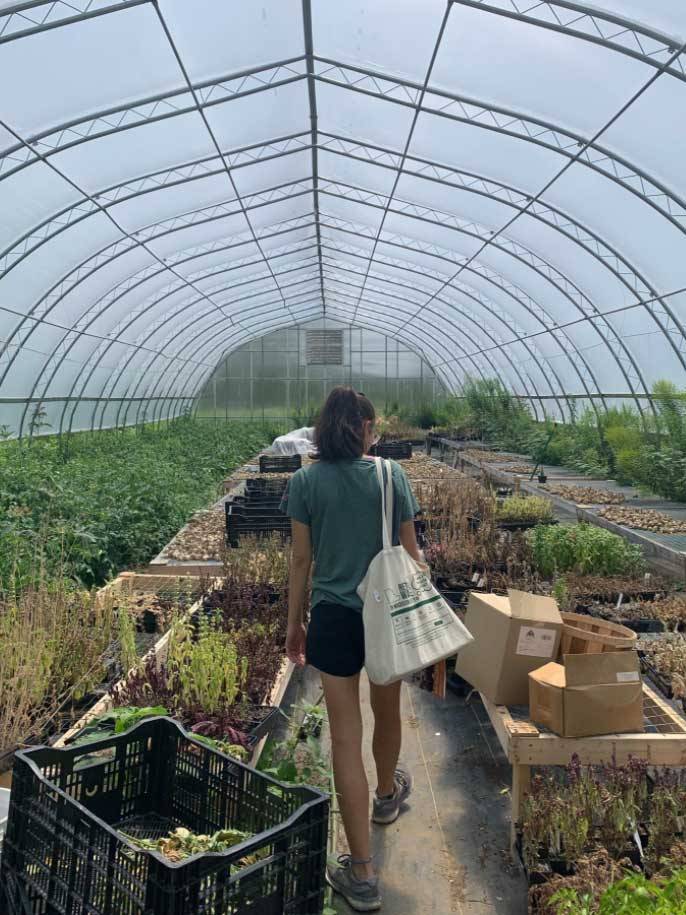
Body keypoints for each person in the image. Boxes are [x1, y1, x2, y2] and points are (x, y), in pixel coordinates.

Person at [282, 387, 422, 912]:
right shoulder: (392, 476)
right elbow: (413, 555)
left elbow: (301, 562)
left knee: (345, 737)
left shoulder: (304, 482)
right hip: (385, 615)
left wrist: (295, 624)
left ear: (323, 429)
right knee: (387, 709)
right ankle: (387, 795)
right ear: (366, 427)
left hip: (335, 619)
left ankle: (361, 873)